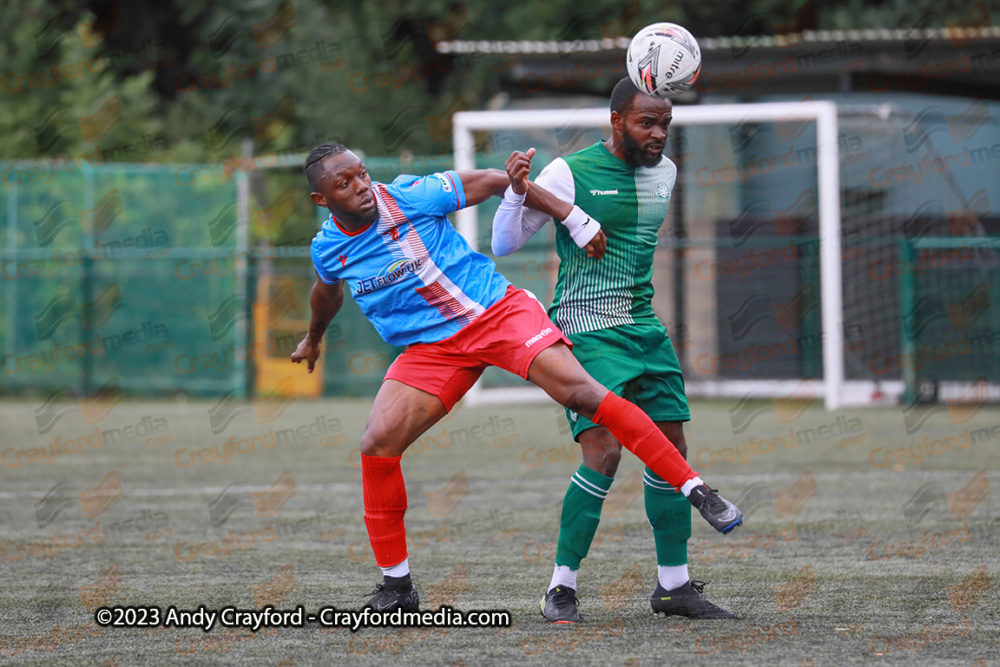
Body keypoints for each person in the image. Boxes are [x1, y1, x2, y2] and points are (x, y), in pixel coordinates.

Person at [291, 141, 741, 614]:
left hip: (496, 314)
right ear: (323, 200)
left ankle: (697, 490)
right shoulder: (328, 247)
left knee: (582, 393)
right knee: (377, 442)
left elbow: (495, 180)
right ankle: (398, 589)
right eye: (345, 183)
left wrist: (570, 215)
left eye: (361, 173)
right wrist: (313, 338)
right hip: (432, 350)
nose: (361, 186)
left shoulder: (410, 196)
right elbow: (326, 293)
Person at [492, 77, 741, 623]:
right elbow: (503, 242)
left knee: (671, 446)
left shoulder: (667, 173)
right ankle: (561, 589)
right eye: (645, 123)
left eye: (665, 125)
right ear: (616, 122)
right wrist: (524, 193)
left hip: (644, 326)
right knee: (604, 452)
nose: (658, 134)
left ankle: (673, 587)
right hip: (584, 329)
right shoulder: (568, 172)